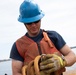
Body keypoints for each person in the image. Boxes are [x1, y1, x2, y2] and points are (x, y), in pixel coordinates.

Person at [10, 0, 76, 75]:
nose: (33, 25)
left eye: (36, 21)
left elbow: (72, 55)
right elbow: (16, 72)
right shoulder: (18, 45)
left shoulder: (53, 36)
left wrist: (61, 61)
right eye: (29, 23)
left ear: (40, 19)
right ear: (24, 23)